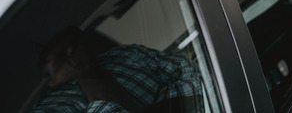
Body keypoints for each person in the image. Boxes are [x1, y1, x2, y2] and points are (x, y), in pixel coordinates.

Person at [34, 27, 202, 113]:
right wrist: (86, 74)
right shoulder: (47, 108)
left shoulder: (129, 55)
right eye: (60, 53)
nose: (71, 52)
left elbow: (204, 80)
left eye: (71, 42)